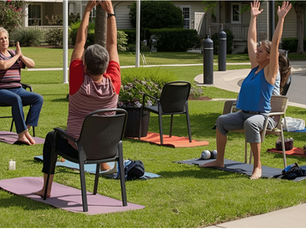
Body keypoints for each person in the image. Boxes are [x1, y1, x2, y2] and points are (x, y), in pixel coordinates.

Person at [34, 0, 120, 197]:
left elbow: (80, 42)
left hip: (79, 151)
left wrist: (88, 10)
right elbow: (112, 44)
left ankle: (46, 188)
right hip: (107, 150)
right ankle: (105, 164)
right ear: (106, 67)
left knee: (51, 137)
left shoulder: (78, 82)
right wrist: (111, 12)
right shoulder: (114, 83)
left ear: (85, 68)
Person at [200, 1, 292, 180]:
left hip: (263, 117)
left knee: (251, 124)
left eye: (261, 51)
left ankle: (257, 167)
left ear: (269, 56)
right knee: (221, 121)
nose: (256, 53)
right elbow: (251, 40)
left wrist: (280, 19)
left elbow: (274, 44)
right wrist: (253, 18)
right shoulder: (254, 68)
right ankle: (219, 160)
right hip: (244, 113)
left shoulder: (270, 71)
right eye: (256, 51)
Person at [0, 27, 43, 145]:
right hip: (2, 90)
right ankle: (21, 134)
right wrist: (17, 56)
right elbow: (3, 65)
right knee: (16, 99)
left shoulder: (13, 53)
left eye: (6, 38)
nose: (4, 41)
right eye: (1, 39)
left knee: (38, 98)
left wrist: (21, 56)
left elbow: (32, 64)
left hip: (17, 89)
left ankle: (25, 131)